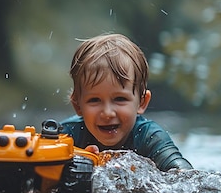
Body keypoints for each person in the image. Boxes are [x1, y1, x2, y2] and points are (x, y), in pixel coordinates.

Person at [61, 33, 192, 171]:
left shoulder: (149, 137)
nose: (107, 113)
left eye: (120, 99)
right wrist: (73, 164)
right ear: (78, 105)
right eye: (94, 100)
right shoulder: (67, 136)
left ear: (142, 102)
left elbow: (185, 175)